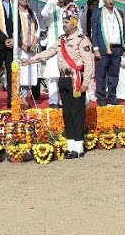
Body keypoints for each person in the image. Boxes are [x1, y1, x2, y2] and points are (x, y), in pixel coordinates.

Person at [22, 11, 96, 158]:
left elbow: (89, 62)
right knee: (67, 113)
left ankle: (78, 146)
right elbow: (49, 52)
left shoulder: (82, 40)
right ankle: (70, 145)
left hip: (76, 79)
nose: (63, 25)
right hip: (63, 79)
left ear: (74, 23)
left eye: (66, 22)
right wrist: (31, 60)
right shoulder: (61, 39)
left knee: (77, 112)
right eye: (63, 22)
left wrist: (86, 82)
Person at [41, 0, 77, 108]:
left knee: (65, 74)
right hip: (53, 46)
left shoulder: (71, 10)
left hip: (67, 48)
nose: (60, 0)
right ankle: (53, 101)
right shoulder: (52, 10)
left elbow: (77, 27)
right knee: (52, 75)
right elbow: (43, 14)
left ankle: (63, 100)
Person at [89, 0, 125, 105]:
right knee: (101, 74)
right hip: (103, 47)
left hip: (117, 47)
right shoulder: (97, 12)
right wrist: (95, 49)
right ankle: (100, 98)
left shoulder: (119, 12)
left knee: (114, 74)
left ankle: (112, 97)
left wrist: (123, 46)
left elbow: (122, 30)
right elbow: (93, 32)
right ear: (104, 0)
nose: (111, 1)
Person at [13, 0, 41, 107]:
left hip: (31, 48)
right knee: (20, 73)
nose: (25, 0)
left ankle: (24, 98)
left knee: (28, 74)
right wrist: (22, 45)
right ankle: (19, 99)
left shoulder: (31, 13)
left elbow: (38, 29)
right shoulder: (15, 13)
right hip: (19, 49)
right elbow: (13, 31)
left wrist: (34, 43)